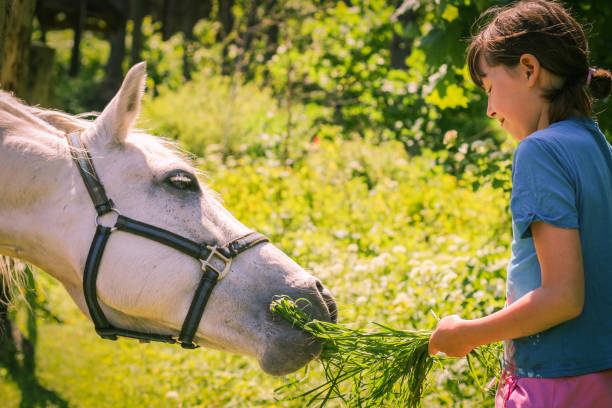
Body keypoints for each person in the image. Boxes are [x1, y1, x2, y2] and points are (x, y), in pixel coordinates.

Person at [427, 1, 612, 406]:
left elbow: (563, 296)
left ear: (529, 69)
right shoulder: (597, 144)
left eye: (490, 87)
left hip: (555, 385)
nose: (490, 109)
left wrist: (468, 333)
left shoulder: (539, 151)